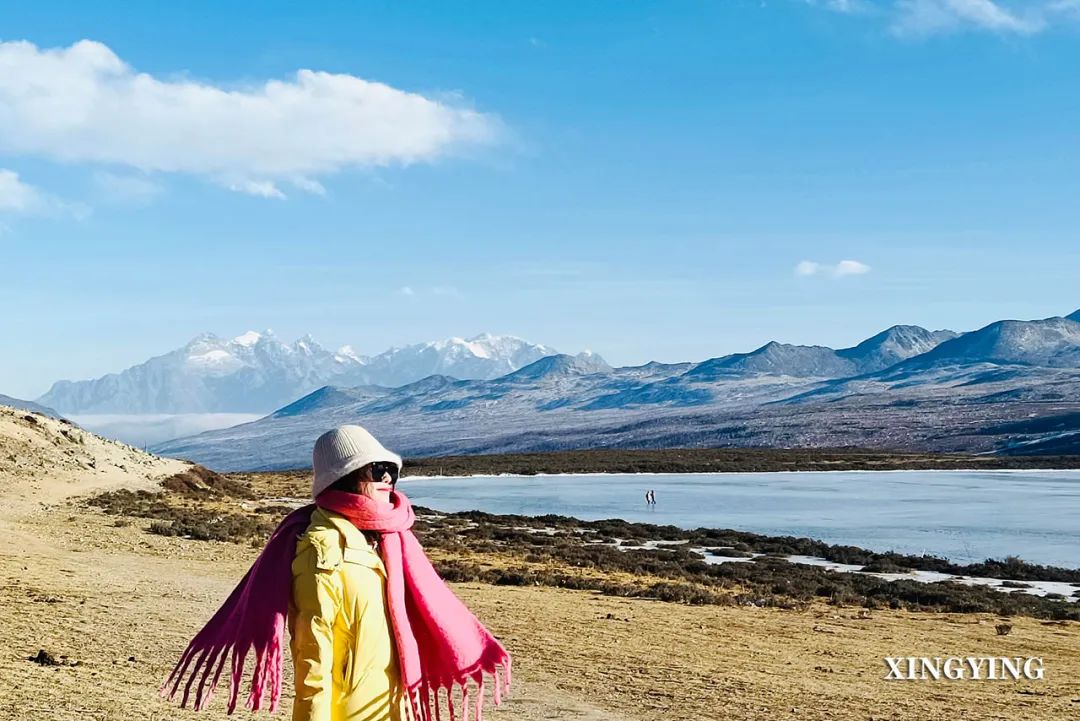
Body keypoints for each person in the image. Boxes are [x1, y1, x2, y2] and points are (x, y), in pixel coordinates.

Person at [161, 424, 511, 721]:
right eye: (376, 469)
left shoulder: (389, 540)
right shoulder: (322, 549)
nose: (386, 478)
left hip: (394, 706)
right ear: (344, 477)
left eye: (391, 470)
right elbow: (313, 660)